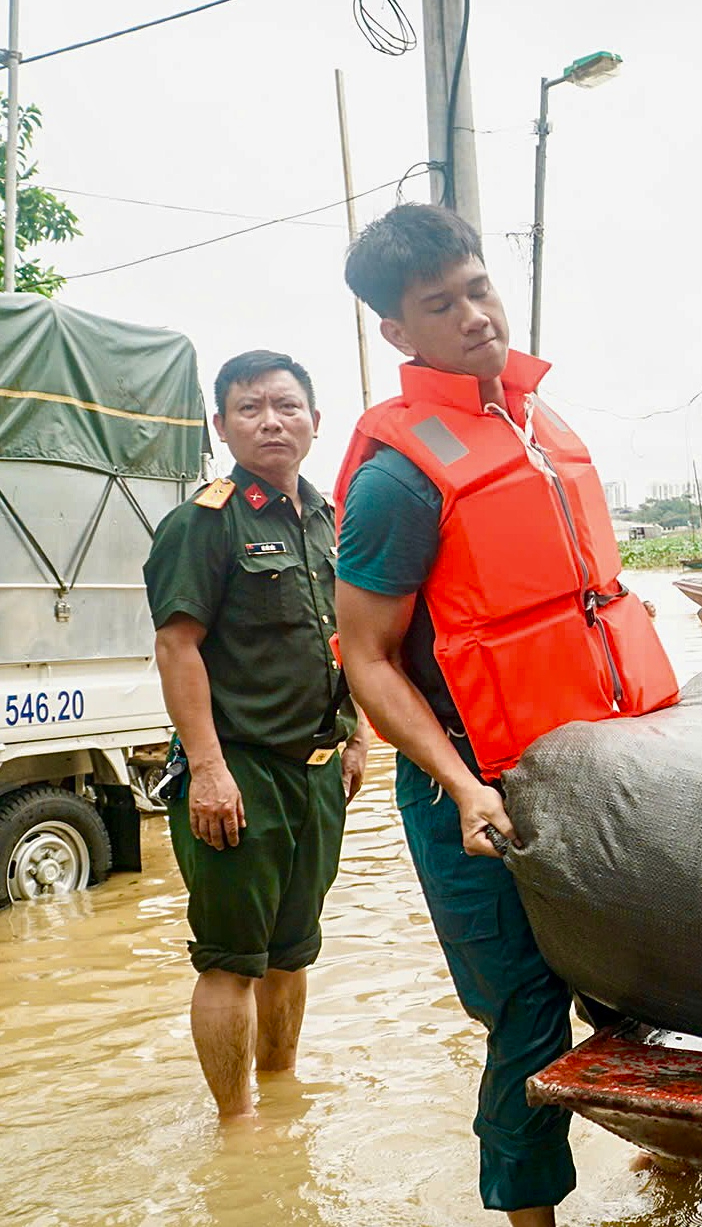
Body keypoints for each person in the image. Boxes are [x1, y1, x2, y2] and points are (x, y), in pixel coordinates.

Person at [331, 203, 678, 1226]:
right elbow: (367, 658)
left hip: (596, 768)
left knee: (641, 991)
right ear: (397, 334)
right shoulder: (399, 477)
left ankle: (680, 1162)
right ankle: (530, 1217)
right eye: (441, 304)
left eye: (479, 287)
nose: (476, 315)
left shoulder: (538, 430)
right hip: (479, 793)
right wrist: (462, 784)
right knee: (527, 1020)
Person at [143, 349, 367, 1120]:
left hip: (317, 772)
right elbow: (178, 648)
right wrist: (206, 768)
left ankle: (281, 1101)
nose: (271, 420)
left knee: (292, 950)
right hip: (237, 771)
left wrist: (357, 737)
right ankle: (236, 1130)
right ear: (221, 425)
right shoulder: (201, 523)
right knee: (232, 959)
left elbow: (346, 639)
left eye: (285, 405)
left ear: (314, 419)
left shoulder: (330, 521)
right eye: (250, 407)